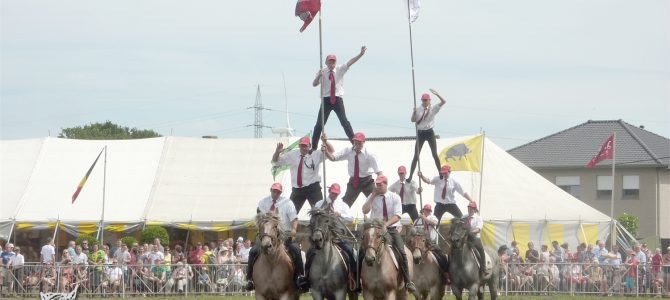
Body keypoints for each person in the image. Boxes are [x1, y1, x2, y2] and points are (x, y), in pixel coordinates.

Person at [245, 183, 307, 292]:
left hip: (284, 234)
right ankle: (250, 279)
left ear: (281, 192)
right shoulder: (263, 203)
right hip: (266, 234)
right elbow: (260, 219)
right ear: (271, 190)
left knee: (296, 250)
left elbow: (294, 219)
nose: (276, 193)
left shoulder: (288, 203)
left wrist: (293, 229)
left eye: (278, 191)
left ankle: (300, 277)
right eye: (274, 191)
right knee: (253, 251)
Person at [361, 175, 416, 292]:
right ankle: (357, 281)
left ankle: (407, 281)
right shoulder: (373, 196)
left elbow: (398, 215)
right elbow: (365, 210)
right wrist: (372, 196)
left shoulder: (394, 197)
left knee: (402, 252)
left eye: (380, 185)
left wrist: (385, 225)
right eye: (377, 185)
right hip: (374, 230)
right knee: (361, 251)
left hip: (391, 228)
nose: (378, 187)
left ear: (386, 184)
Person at [310, 46, 367, 151]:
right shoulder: (322, 71)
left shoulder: (340, 69)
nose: (332, 64)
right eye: (330, 62)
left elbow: (350, 62)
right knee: (319, 124)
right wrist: (319, 76)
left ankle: (353, 142)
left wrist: (360, 54)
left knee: (344, 122)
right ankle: (313, 147)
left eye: (333, 62)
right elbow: (314, 84)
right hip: (326, 99)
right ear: (326, 62)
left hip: (337, 99)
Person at [304, 183, 357, 290]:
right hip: (322, 236)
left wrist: (340, 214)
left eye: (336, 194)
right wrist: (319, 213)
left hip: (338, 235)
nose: (334, 195)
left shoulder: (343, 205)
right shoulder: (320, 203)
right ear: (329, 191)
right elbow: (313, 218)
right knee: (310, 253)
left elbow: (351, 219)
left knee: (350, 251)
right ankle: (306, 279)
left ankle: (353, 277)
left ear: (339, 193)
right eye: (333, 193)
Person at [272, 134, 333, 212]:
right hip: (297, 189)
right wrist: (277, 152)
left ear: (309, 145)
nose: (303, 148)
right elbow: (276, 161)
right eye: (302, 146)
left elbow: (331, 151)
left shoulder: (316, 154)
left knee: (320, 212)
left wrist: (325, 142)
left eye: (305, 146)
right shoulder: (292, 154)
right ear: (299, 146)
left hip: (313, 188)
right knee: (290, 212)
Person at [326, 132, 382, 207]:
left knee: (377, 202)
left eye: (359, 143)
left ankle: (382, 217)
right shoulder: (348, 151)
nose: (357, 145)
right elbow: (333, 158)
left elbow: (379, 173)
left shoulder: (370, 155)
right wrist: (326, 151)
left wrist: (379, 186)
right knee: (345, 203)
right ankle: (337, 216)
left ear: (364, 142)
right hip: (354, 181)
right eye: (356, 143)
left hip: (367, 181)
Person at [406, 89, 447, 183]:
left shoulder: (433, 108)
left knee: (434, 154)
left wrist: (437, 94)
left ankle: (440, 173)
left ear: (429, 100)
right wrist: (413, 112)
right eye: (423, 100)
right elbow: (413, 120)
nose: (424, 102)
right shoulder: (418, 109)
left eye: (426, 100)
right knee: (416, 155)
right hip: (420, 133)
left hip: (429, 132)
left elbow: (444, 102)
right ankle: (410, 176)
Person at [413, 204, 449, 274]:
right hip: (419, 243)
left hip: (431, 243)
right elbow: (413, 229)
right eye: (425, 210)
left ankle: (445, 273)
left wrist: (424, 218)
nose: (427, 211)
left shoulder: (433, 217)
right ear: (423, 210)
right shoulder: (417, 220)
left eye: (428, 210)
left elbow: (435, 223)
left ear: (430, 211)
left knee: (441, 255)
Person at [464, 202, 486, 275]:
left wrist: (469, 232)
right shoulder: (464, 217)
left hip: (475, 238)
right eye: (468, 208)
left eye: (471, 208)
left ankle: (483, 268)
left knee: (481, 251)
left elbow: (478, 229)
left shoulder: (478, 218)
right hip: (465, 238)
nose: (469, 209)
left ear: (474, 209)